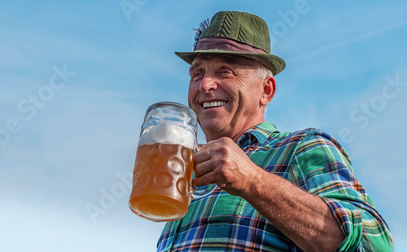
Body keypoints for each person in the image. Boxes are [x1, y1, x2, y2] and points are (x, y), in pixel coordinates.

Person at [156, 11, 393, 252]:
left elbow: (373, 244)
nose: (205, 85)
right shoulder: (186, 173)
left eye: (225, 71)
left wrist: (252, 181)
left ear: (266, 91)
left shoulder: (302, 147)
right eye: (197, 74)